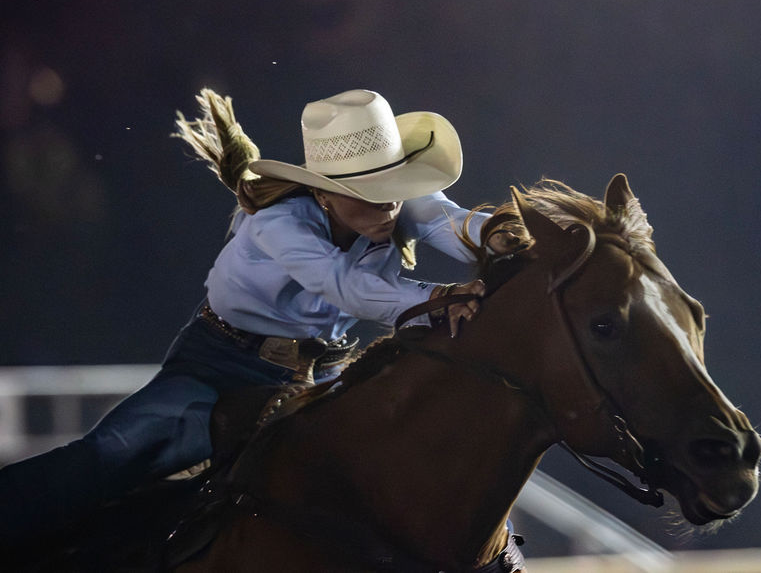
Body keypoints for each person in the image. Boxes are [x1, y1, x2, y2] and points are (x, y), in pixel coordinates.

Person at [0, 88, 514, 548]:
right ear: (322, 193)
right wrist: (438, 295)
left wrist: (506, 236)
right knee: (113, 453)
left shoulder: (397, 204)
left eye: (394, 186)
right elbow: (341, 283)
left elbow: (454, 223)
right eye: (370, 192)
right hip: (222, 367)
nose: (389, 205)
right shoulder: (278, 222)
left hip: (324, 374)